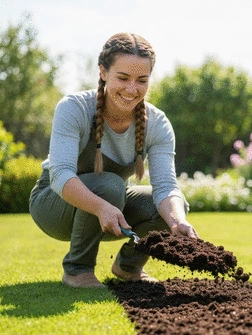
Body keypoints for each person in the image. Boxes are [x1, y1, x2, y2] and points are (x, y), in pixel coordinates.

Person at [29, 32, 198, 288]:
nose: (132, 89)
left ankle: (129, 267)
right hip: (53, 206)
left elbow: (166, 186)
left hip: (112, 206)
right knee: (109, 184)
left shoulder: (158, 123)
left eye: (142, 80)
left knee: (174, 206)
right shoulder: (74, 108)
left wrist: (177, 222)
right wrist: (100, 207)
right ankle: (77, 270)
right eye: (122, 78)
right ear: (103, 72)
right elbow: (60, 174)